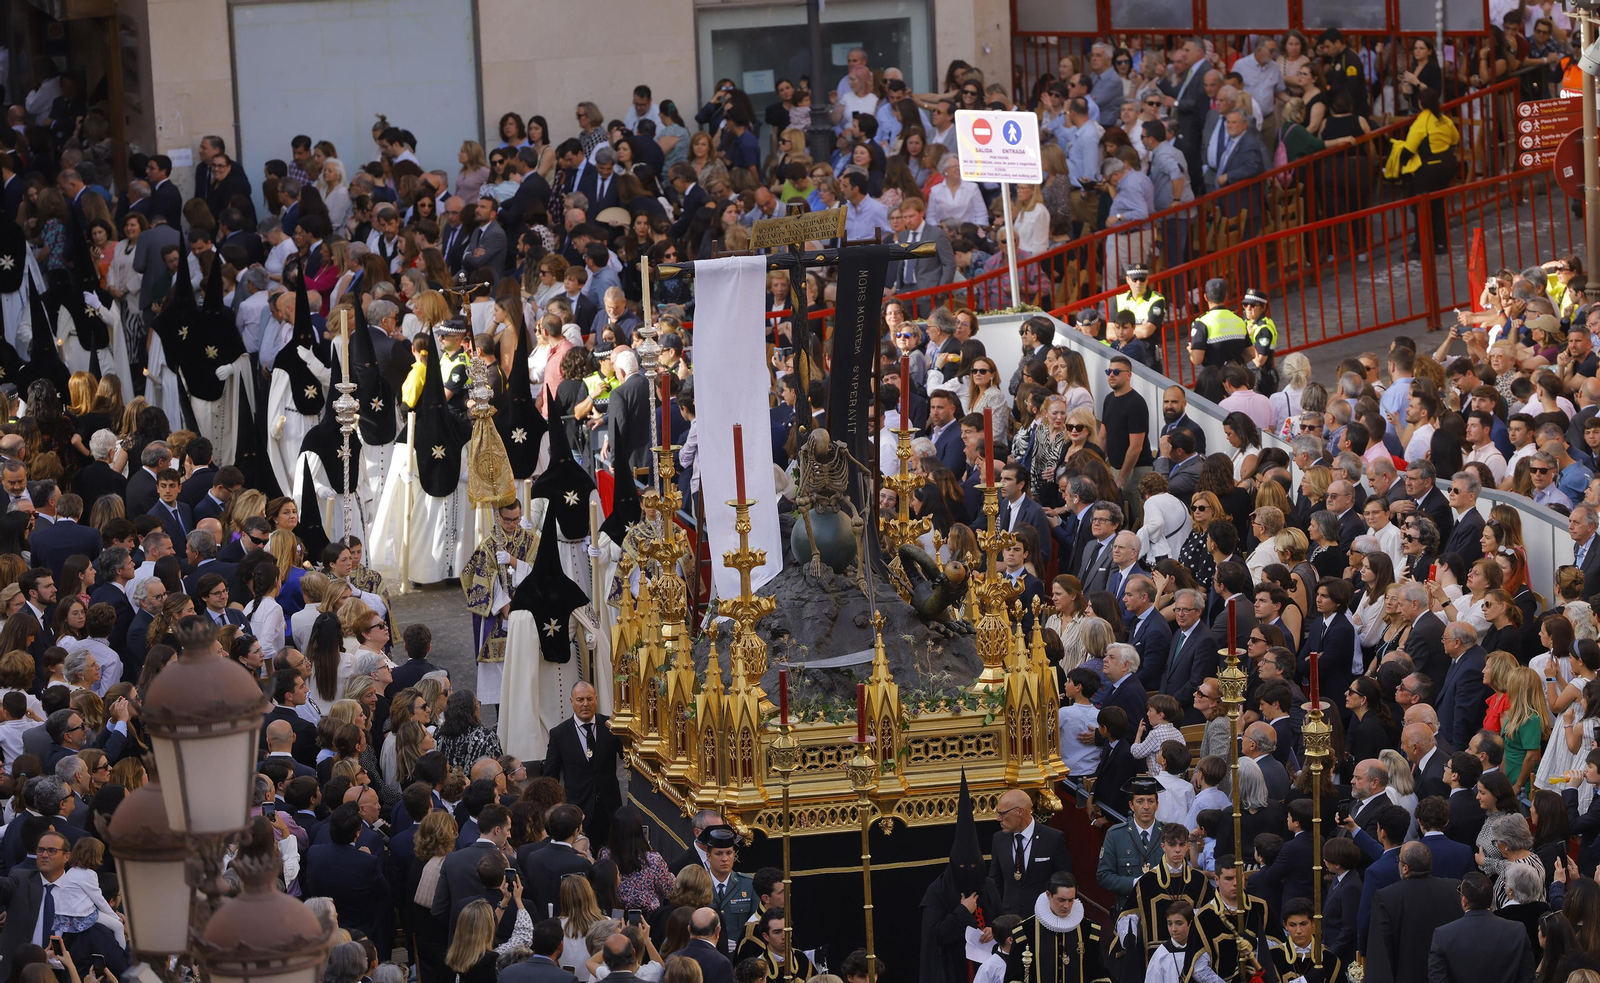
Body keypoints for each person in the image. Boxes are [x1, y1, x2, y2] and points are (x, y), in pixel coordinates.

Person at [542, 682, 622, 848]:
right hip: (578, 810)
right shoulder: (559, 734)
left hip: (610, 808)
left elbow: (628, 758)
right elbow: (550, 776)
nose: (585, 704)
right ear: (572, 701)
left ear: (596, 700)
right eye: (580, 700)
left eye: (589, 699)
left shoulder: (611, 726)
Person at [1428, 871, 1535, 982]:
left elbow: (1437, 979)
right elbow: (1527, 976)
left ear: (1464, 901)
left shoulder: (1443, 935)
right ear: (1492, 899)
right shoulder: (1517, 931)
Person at [1002, 872, 1108, 983]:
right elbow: (1013, 978)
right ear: (1049, 895)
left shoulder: (1089, 930)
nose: (1066, 906)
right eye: (1061, 900)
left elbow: (1099, 974)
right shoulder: (1025, 931)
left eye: (1071, 900)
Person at [989, 787, 1072, 917]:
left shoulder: (1053, 838)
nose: (998, 818)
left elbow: (1065, 881)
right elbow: (995, 881)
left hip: (1044, 917)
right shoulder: (999, 839)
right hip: (1009, 918)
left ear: (1020, 812)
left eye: (1002, 813)